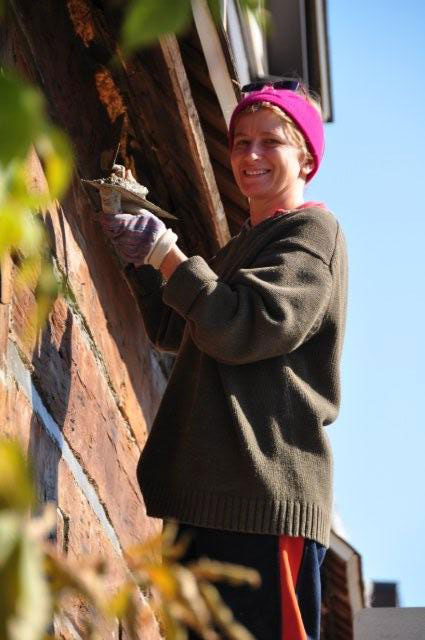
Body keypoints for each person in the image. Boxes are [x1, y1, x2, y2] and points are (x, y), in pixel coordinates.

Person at [99, 81, 348, 640]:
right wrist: (145, 263)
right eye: (239, 143)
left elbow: (242, 327)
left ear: (306, 156)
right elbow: (182, 330)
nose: (249, 156)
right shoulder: (245, 242)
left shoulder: (313, 231)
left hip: (262, 501)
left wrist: (168, 253)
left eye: (270, 143)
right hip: (209, 501)